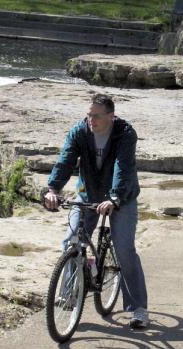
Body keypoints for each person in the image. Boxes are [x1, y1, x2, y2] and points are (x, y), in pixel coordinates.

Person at [44, 93, 148, 329]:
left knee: (124, 251)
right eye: (89, 115)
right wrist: (52, 189)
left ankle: (138, 309)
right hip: (88, 193)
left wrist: (115, 197)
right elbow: (66, 159)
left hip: (121, 196)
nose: (91, 120)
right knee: (72, 241)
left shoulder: (124, 133)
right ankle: (69, 294)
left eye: (97, 116)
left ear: (111, 116)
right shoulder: (79, 132)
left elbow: (123, 168)